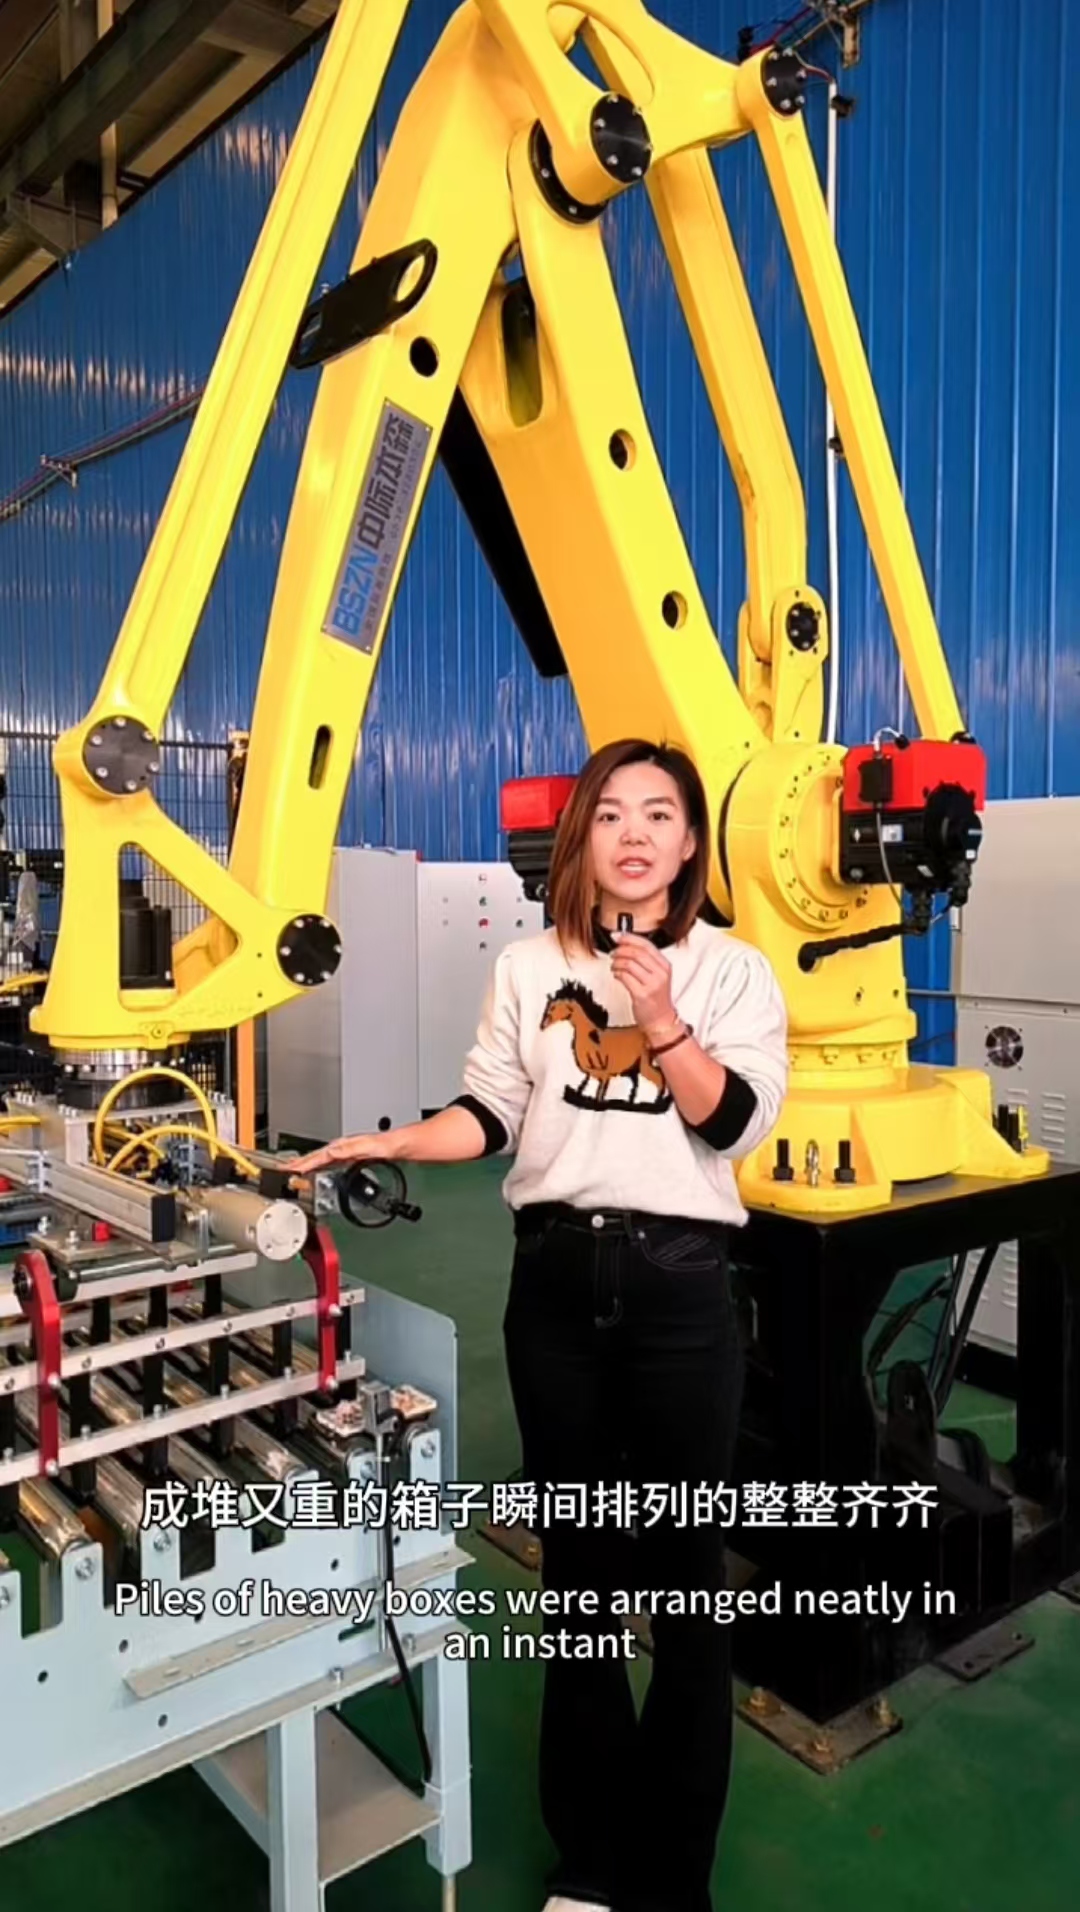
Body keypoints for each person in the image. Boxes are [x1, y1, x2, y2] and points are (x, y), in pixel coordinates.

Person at [291, 737, 789, 1912]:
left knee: (685, 1584)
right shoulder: (529, 966)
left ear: (689, 842)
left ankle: (673, 1877)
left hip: (678, 1288)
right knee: (581, 1575)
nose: (633, 832)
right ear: (582, 838)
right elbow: (491, 1111)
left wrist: (662, 1017)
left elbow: (734, 1125)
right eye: (610, 812)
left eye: (658, 813)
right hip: (556, 1290)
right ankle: (593, 1861)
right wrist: (391, 1137)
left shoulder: (732, 970)